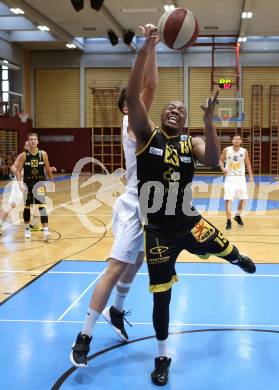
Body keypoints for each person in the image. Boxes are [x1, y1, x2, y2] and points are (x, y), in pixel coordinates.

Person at [126, 27, 256, 386]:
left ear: (184, 121)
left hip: (189, 222)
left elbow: (214, 159)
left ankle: (237, 257)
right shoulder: (146, 135)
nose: (174, 110)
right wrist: (145, 49)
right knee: (162, 298)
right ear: (161, 114)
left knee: (223, 247)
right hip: (157, 234)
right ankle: (163, 357)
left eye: (180, 111)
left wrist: (209, 122)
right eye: (170, 107)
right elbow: (133, 97)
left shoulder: (191, 142)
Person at [70, 24, 159, 368]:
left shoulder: (148, 126)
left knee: (138, 261)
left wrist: (153, 48)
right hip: (135, 204)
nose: (144, 101)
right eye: (135, 100)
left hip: (152, 204)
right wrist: (149, 48)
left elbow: (150, 86)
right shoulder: (130, 121)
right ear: (128, 107)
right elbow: (148, 85)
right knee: (116, 267)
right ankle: (84, 337)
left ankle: (116, 311)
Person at [0, 141, 57, 233]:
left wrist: (49, 169)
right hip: (20, 182)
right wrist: (22, 173)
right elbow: (13, 168)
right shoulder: (22, 156)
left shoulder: (37, 155)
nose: (30, 144)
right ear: (25, 146)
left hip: (32, 183)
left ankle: (33, 225)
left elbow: (37, 169)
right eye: (27, 144)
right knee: (12, 204)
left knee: (39, 204)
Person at [15, 133, 54, 241]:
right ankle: (27, 228)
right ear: (28, 142)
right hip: (28, 184)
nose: (33, 141)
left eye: (35, 139)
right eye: (31, 139)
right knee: (27, 206)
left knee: (42, 207)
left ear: (37, 141)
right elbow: (18, 170)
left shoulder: (43, 154)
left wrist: (52, 181)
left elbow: (47, 168)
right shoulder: (24, 155)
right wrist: (20, 183)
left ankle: (46, 230)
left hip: (40, 183)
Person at [220, 134, 254, 229]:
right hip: (230, 177)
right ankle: (228, 220)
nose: (237, 140)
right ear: (232, 141)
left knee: (243, 199)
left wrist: (251, 176)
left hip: (241, 178)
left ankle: (238, 215)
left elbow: (248, 164)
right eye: (235, 139)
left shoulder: (244, 151)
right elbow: (221, 160)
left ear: (241, 141)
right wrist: (223, 168)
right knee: (228, 199)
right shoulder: (227, 150)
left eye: (238, 139)